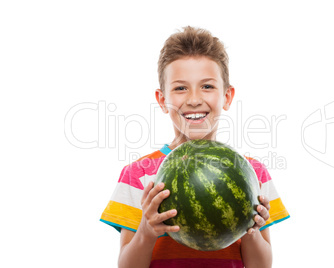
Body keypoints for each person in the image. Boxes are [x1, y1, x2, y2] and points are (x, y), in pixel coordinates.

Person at [100, 26, 290, 268]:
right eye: (180, 88)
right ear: (162, 99)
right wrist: (147, 231)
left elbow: (260, 266)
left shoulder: (252, 172)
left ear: (227, 96)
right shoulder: (138, 174)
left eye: (207, 86)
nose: (193, 99)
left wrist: (251, 228)